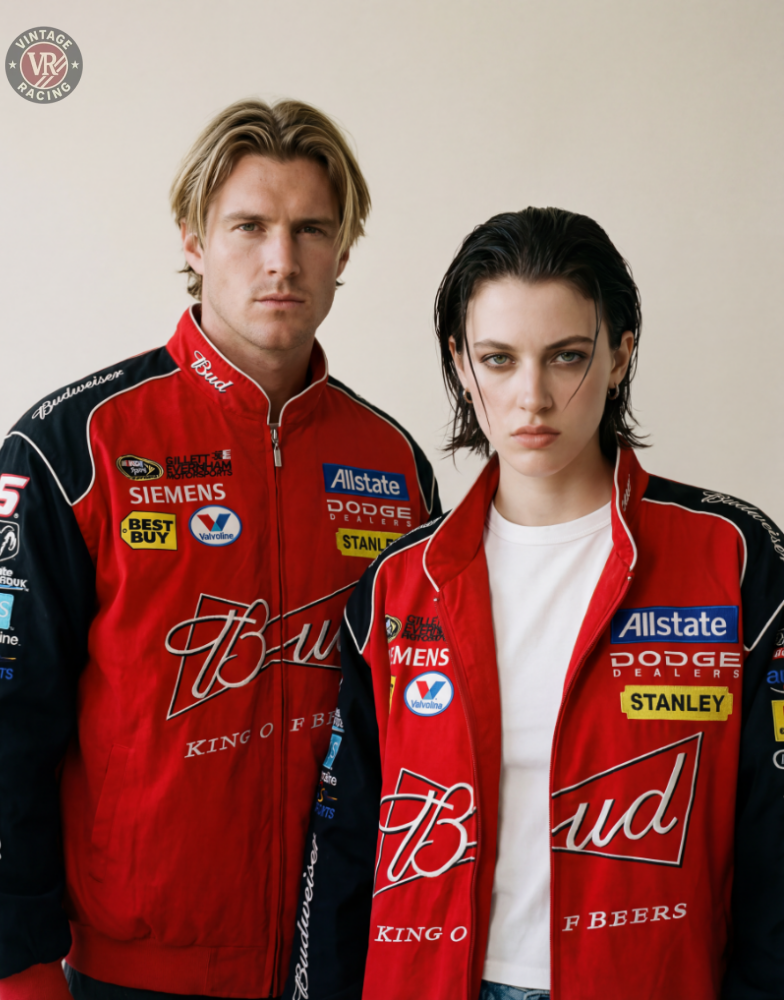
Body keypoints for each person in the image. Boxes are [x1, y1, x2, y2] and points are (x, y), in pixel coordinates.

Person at [0, 99, 440, 1000]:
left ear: (344, 252)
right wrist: (20, 967)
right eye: (249, 226)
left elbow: (427, 728)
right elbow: (0, 717)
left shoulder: (394, 466)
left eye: (312, 230)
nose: (282, 260)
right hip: (131, 972)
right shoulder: (74, 447)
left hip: (342, 964)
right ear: (192, 239)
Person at [283, 207, 784, 1000]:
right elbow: (344, 843)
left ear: (620, 356)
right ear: (460, 363)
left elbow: (774, 839)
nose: (532, 397)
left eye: (566, 356)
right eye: (498, 359)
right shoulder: (397, 582)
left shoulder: (735, 555)